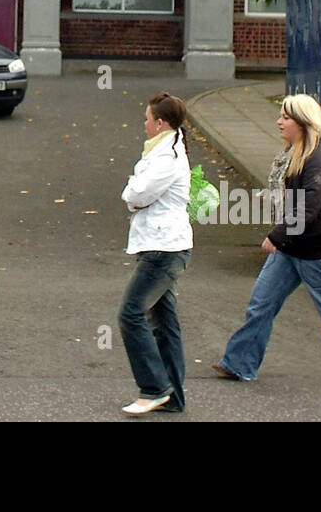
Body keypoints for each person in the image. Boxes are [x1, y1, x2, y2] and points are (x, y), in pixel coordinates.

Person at [212, 93, 321, 392]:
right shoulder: (293, 155)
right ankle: (239, 363)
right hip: (292, 248)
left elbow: (308, 209)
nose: (279, 121)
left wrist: (275, 236)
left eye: (286, 117)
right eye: (280, 115)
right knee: (261, 304)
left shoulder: (317, 161)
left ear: (303, 123)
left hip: (316, 253)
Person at [117, 92, 193, 415]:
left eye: (148, 118)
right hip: (163, 245)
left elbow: (135, 193)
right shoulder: (164, 150)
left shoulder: (166, 158)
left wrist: (135, 195)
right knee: (164, 321)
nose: (144, 123)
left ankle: (154, 387)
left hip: (163, 250)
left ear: (160, 123)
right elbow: (138, 195)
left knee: (130, 313)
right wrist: (137, 195)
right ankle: (172, 394)